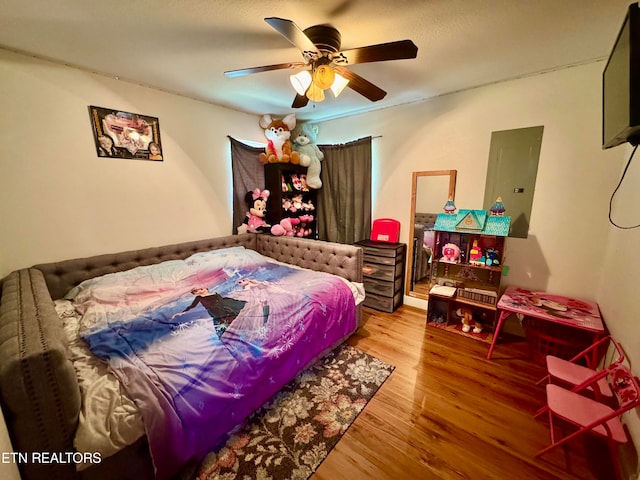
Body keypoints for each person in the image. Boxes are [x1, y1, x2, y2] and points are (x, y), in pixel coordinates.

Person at [174, 287, 246, 338]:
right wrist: (182, 312)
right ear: (196, 293)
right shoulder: (199, 297)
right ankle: (232, 334)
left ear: (206, 289)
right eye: (198, 290)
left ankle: (240, 330)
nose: (201, 289)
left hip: (223, 307)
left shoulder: (215, 294)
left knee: (232, 318)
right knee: (222, 323)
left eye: (202, 288)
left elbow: (222, 301)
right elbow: (192, 306)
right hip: (214, 310)